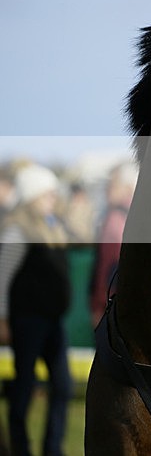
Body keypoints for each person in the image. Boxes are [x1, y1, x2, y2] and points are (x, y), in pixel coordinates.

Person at [0, 164, 73, 456]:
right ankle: (20, 448)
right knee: (24, 387)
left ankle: (52, 448)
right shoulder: (17, 228)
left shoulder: (51, 226)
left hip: (53, 321)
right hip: (27, 320)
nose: (53, 199)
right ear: (32, 195)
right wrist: (2, 319)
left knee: (63, 386)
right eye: (47, 194)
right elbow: (3, 277)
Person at [89, 162, 137, 326]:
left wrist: (99, 305)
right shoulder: (141, 214)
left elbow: (108, 266)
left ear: (128, 187)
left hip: (113, 305)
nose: (107, 189)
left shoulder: (115, 218)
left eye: (113, 184)